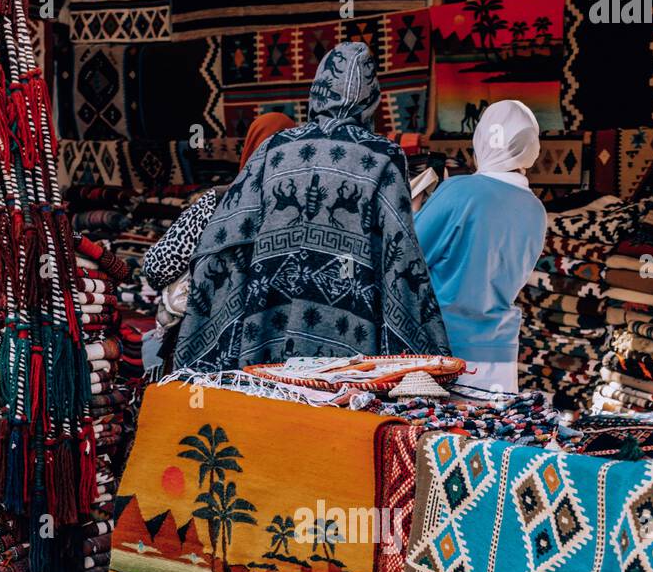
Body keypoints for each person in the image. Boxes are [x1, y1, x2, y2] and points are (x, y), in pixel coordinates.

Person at [173, 42, 448, 372]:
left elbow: (226, 233)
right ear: (371, 99)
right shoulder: (382, 157)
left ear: (317, 91)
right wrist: (425, 348)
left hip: (267, 316)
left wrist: (214, 315)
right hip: (348, 322)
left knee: (269, 414)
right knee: (334, 414)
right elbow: (400, 254)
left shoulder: (273, 150)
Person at [415, 100, 547, 393]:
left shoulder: (459, 191)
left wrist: (414, 209)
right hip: (500, 351)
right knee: (489, 436)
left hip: (446, 349)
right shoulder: (535, 209)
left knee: (440, 438)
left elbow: (410, 255)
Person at [141, 113, 295, 293]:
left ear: (251, 147)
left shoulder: (221, 200)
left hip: (219, 316)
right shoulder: (310, 209)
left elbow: (158, 268)